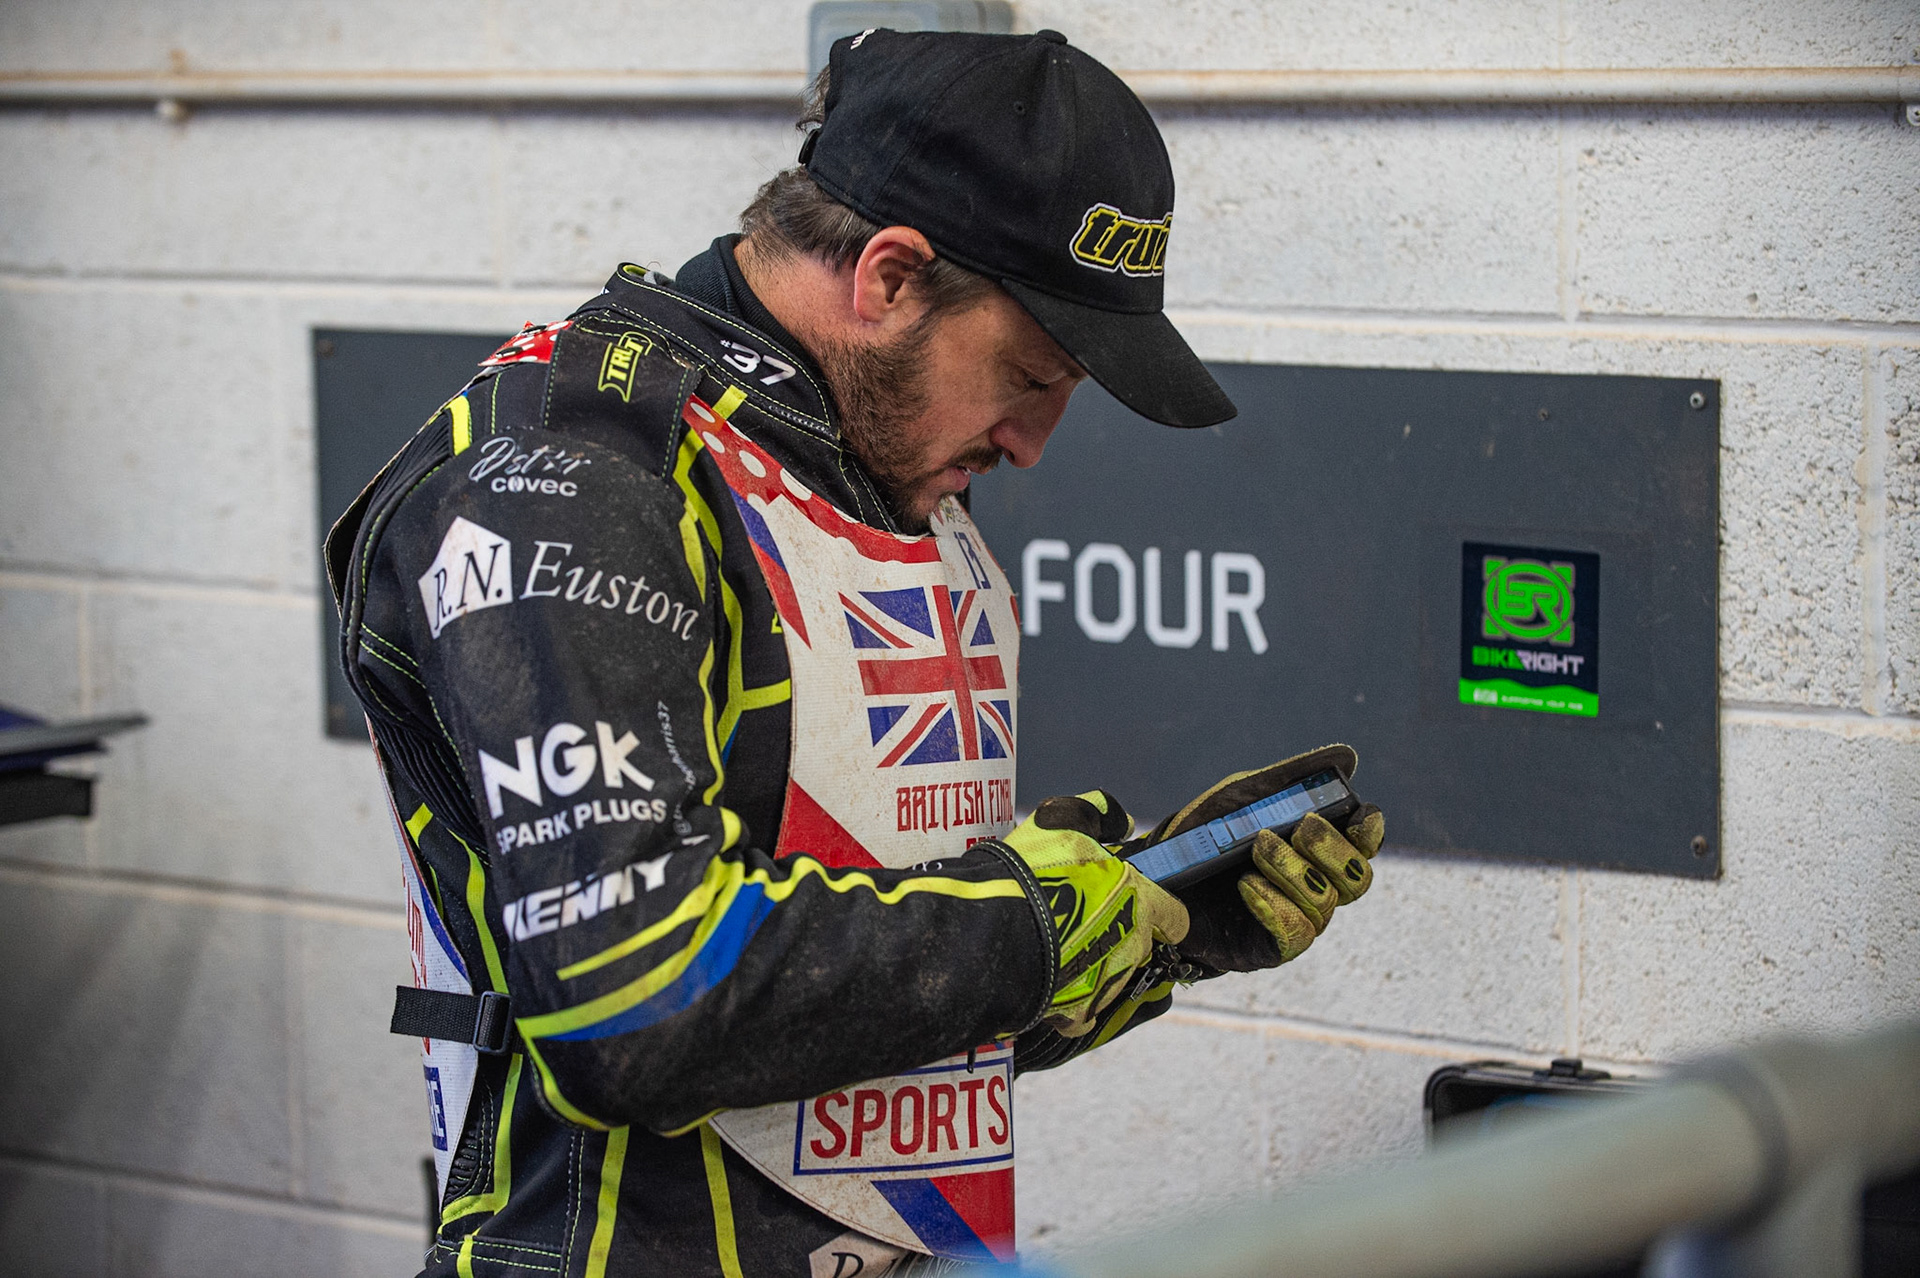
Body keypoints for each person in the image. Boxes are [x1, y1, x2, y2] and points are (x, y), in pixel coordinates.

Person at [326, 28, 1383, 1278]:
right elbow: (633, 1005)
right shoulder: (576, 475)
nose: (1035, 442)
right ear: (888, 278)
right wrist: (1024, 924)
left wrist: (1146, 925)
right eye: (1030, 375)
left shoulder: (866, 476)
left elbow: (845, 1043)